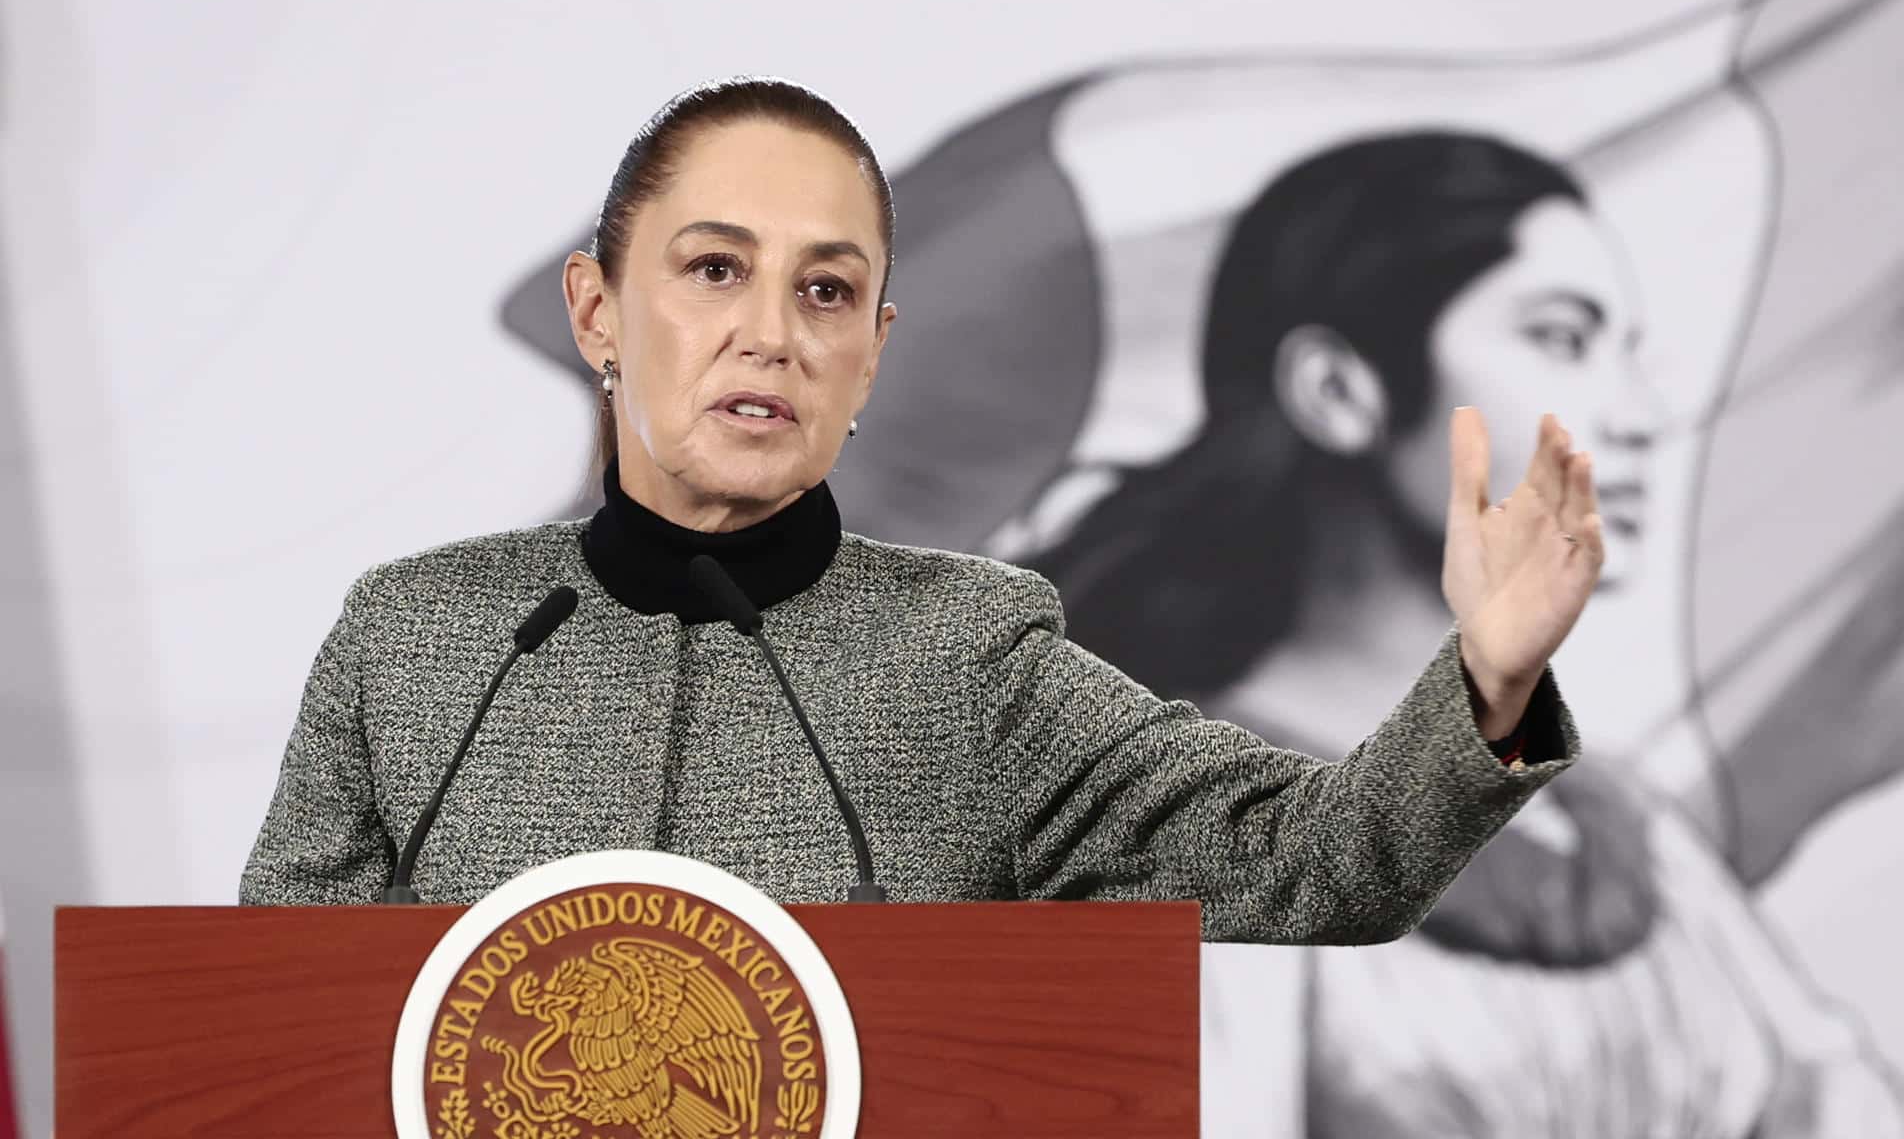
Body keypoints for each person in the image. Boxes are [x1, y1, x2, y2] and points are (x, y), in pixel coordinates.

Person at [240, 80, 1602, 946]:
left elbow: (1318, 864)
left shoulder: (971, 657)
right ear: (598, 312)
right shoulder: (415, 641)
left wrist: (1488, 677)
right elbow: (266, 1025)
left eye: (827, 292)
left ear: (871, 354)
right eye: (714, 270)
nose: (771, 334)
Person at [1021, 131, 1902, 1133]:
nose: (1641, 413)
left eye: (1628, 351)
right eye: (1562, 339)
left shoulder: (1621, 828)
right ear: (1338, 391)